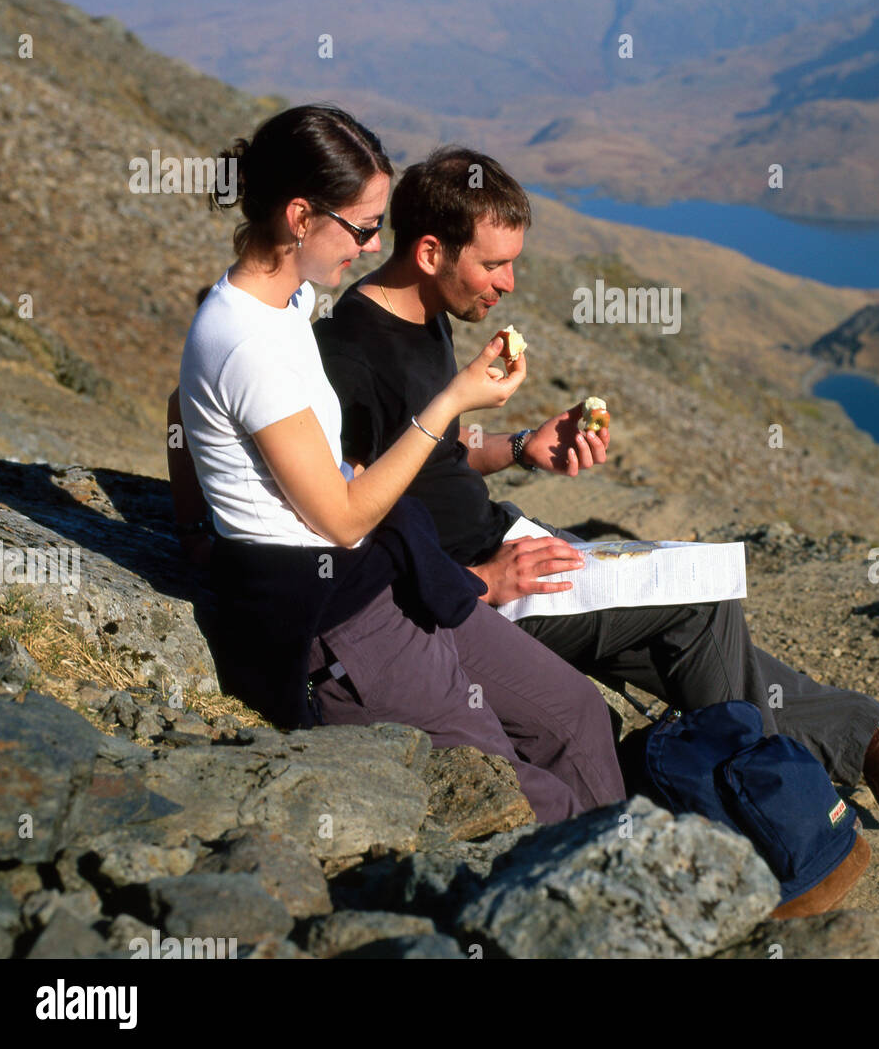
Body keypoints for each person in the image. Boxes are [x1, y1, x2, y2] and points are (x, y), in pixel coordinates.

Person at [313, 146, 879, 829]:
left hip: (510, 546)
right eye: (494, 265)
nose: (509, 286)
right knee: (701, 614)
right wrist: (475, 579)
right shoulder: (349, 354)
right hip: (473, 598)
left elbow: (430, 456)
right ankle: (774, 809)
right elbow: (345, 525)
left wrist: (524, 448)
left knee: (695, 620)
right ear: (432, 252)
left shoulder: (426, 317)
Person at [174, 106, 625, 824]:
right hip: (338, 621)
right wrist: (452, 400)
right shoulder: (245, 341)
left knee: (573, 713)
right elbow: (342, 515)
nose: (374, 244)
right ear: (299, 216)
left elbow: (187, 407)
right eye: (361, 227)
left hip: (387, 576)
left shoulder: (283, 304)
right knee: (522, 799)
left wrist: (198, 521)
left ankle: (627, 873)